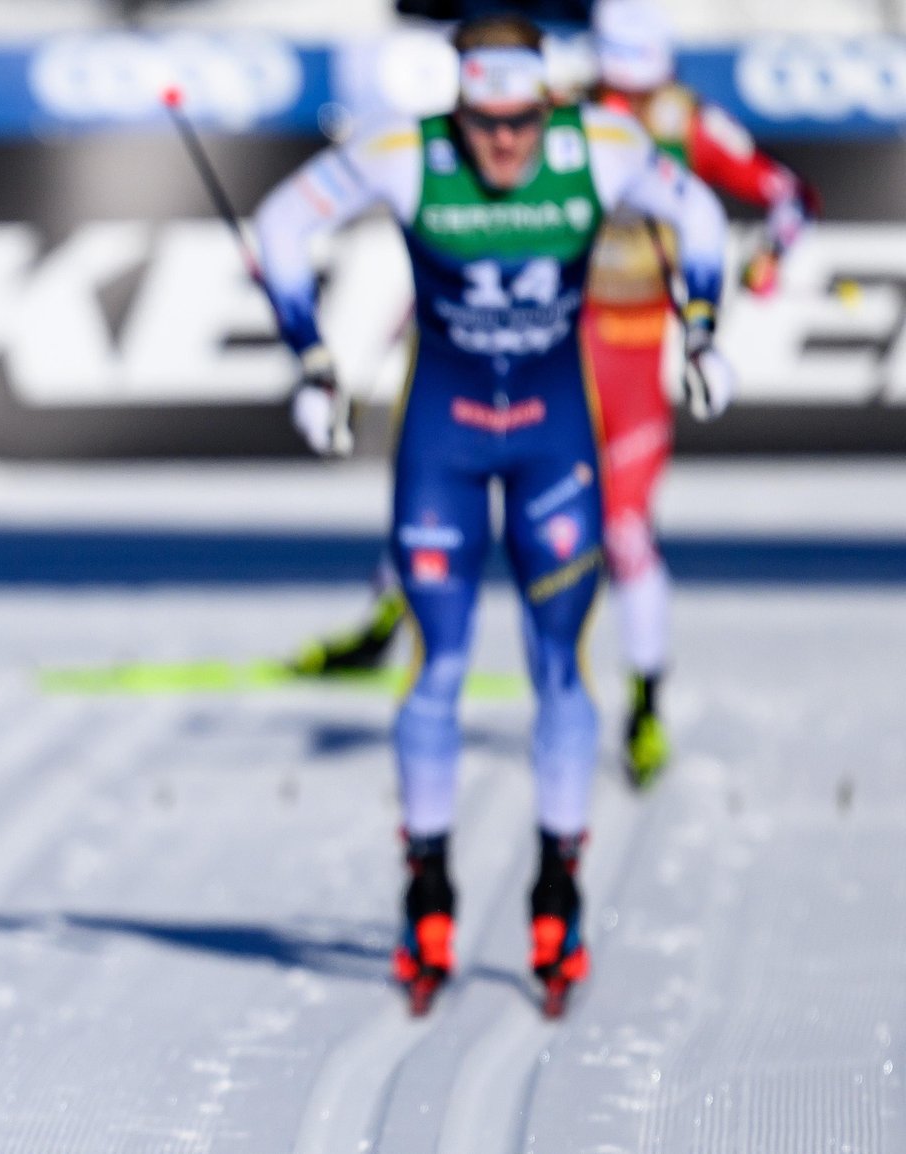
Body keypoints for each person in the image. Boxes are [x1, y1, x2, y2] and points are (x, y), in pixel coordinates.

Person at [253, 14, 730, 1016]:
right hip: (443, 441)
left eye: (519, 122)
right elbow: (280, 223)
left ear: (546, 103)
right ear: (457, 102)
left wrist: (700, 328)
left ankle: (557, 883)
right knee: (435, 661)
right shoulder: (403, 148)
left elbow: (703, 219)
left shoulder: (597, 145)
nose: (503, 145)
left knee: (560, 662)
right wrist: (308, 352)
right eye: (483, 123)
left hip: (556, 439)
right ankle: (424, 882)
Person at [586, 0, 816, 785]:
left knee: (624, 533)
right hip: (564, 347)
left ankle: (646, 696)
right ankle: (393, 611)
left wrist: (767, 260)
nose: (631, 104)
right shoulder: (571, 115)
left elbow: (791, 197)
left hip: (640, 352)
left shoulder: (690, 120)